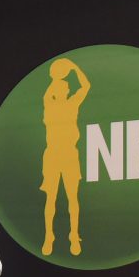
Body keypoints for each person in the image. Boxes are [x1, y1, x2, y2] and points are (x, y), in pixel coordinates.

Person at [40, 57, 90, 256]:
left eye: (66, 87)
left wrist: (74, 66)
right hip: (52, 155)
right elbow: (49, 91)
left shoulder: (72, 105)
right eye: (63, 87)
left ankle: (74, 236)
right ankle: (49, 236)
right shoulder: (49, 105)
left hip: (69, 154)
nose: (66, 88)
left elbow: (86, 86)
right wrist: (61, 72)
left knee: (72, 198)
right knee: (51, 198)